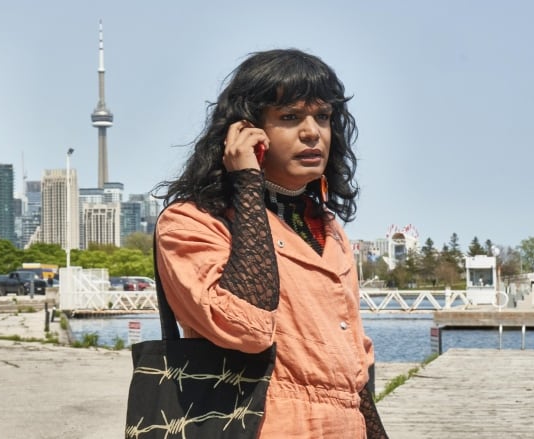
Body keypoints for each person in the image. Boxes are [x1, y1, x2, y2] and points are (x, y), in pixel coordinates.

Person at [153, 49, 387, 437]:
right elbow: (246, 327)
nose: (312, 132)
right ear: (245, 131)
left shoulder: (328, 229)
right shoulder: (191, 222)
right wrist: (247, 181)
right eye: (290, 117)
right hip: (262, 424)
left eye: (323, 117)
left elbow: (356, 373)